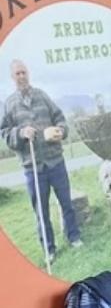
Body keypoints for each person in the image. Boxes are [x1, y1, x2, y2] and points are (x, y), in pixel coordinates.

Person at [1, 60, 82, 263]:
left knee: (66, 203)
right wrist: (20, 133)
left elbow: (60, 118)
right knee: (41, 212)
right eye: (17, 73)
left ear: (28, 73)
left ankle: (74, 237)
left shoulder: (42, 95)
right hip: (33, 167)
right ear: (13, 77)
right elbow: (4, 133)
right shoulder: (9, 103)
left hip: (55, 161)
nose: (21, 76)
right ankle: (49, 249)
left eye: (24, 72)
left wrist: (60, 131)